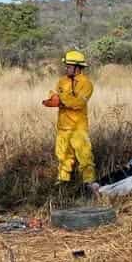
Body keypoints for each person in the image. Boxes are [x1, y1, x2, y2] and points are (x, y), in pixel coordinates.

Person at [43, 50, 95, 186]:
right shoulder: (61, 82)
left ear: (78, 67)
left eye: (69, 66)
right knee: (62, 157)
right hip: (63, 127)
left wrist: (60, 99)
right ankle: (62, 181)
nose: (66, 68)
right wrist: (51, 100)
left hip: (78, 128)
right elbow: (55, 96)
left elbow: (79, 103)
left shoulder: (86, 84)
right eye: (66, 66)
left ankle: (89, 183)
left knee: (85, 157)